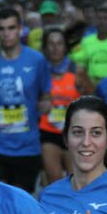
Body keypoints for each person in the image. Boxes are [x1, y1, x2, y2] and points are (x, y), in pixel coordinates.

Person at [0, 7, 51, 192]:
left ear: (20, 29)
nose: (6, 33)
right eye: (1, 29)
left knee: (20, 203)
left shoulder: (37, 60)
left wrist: (45, 105)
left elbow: (46, 94)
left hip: (28, 145)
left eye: (11, 28)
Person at [39, 28, 84, 184]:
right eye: (51, 44)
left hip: (73, 132)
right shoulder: (39, 71)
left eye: (59, 43)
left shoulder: (77, 70)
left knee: (75, 182)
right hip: (48, 132)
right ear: (44, 48)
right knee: (54, 183)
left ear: (65, 47)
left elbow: (92, 97)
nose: (55, 48)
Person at [72, 5, 107, 85]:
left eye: (105, 18)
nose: (102, 22)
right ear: (95, 21)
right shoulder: (86, 41)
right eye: (99, 18)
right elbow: (81, 66)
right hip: (92, 86)